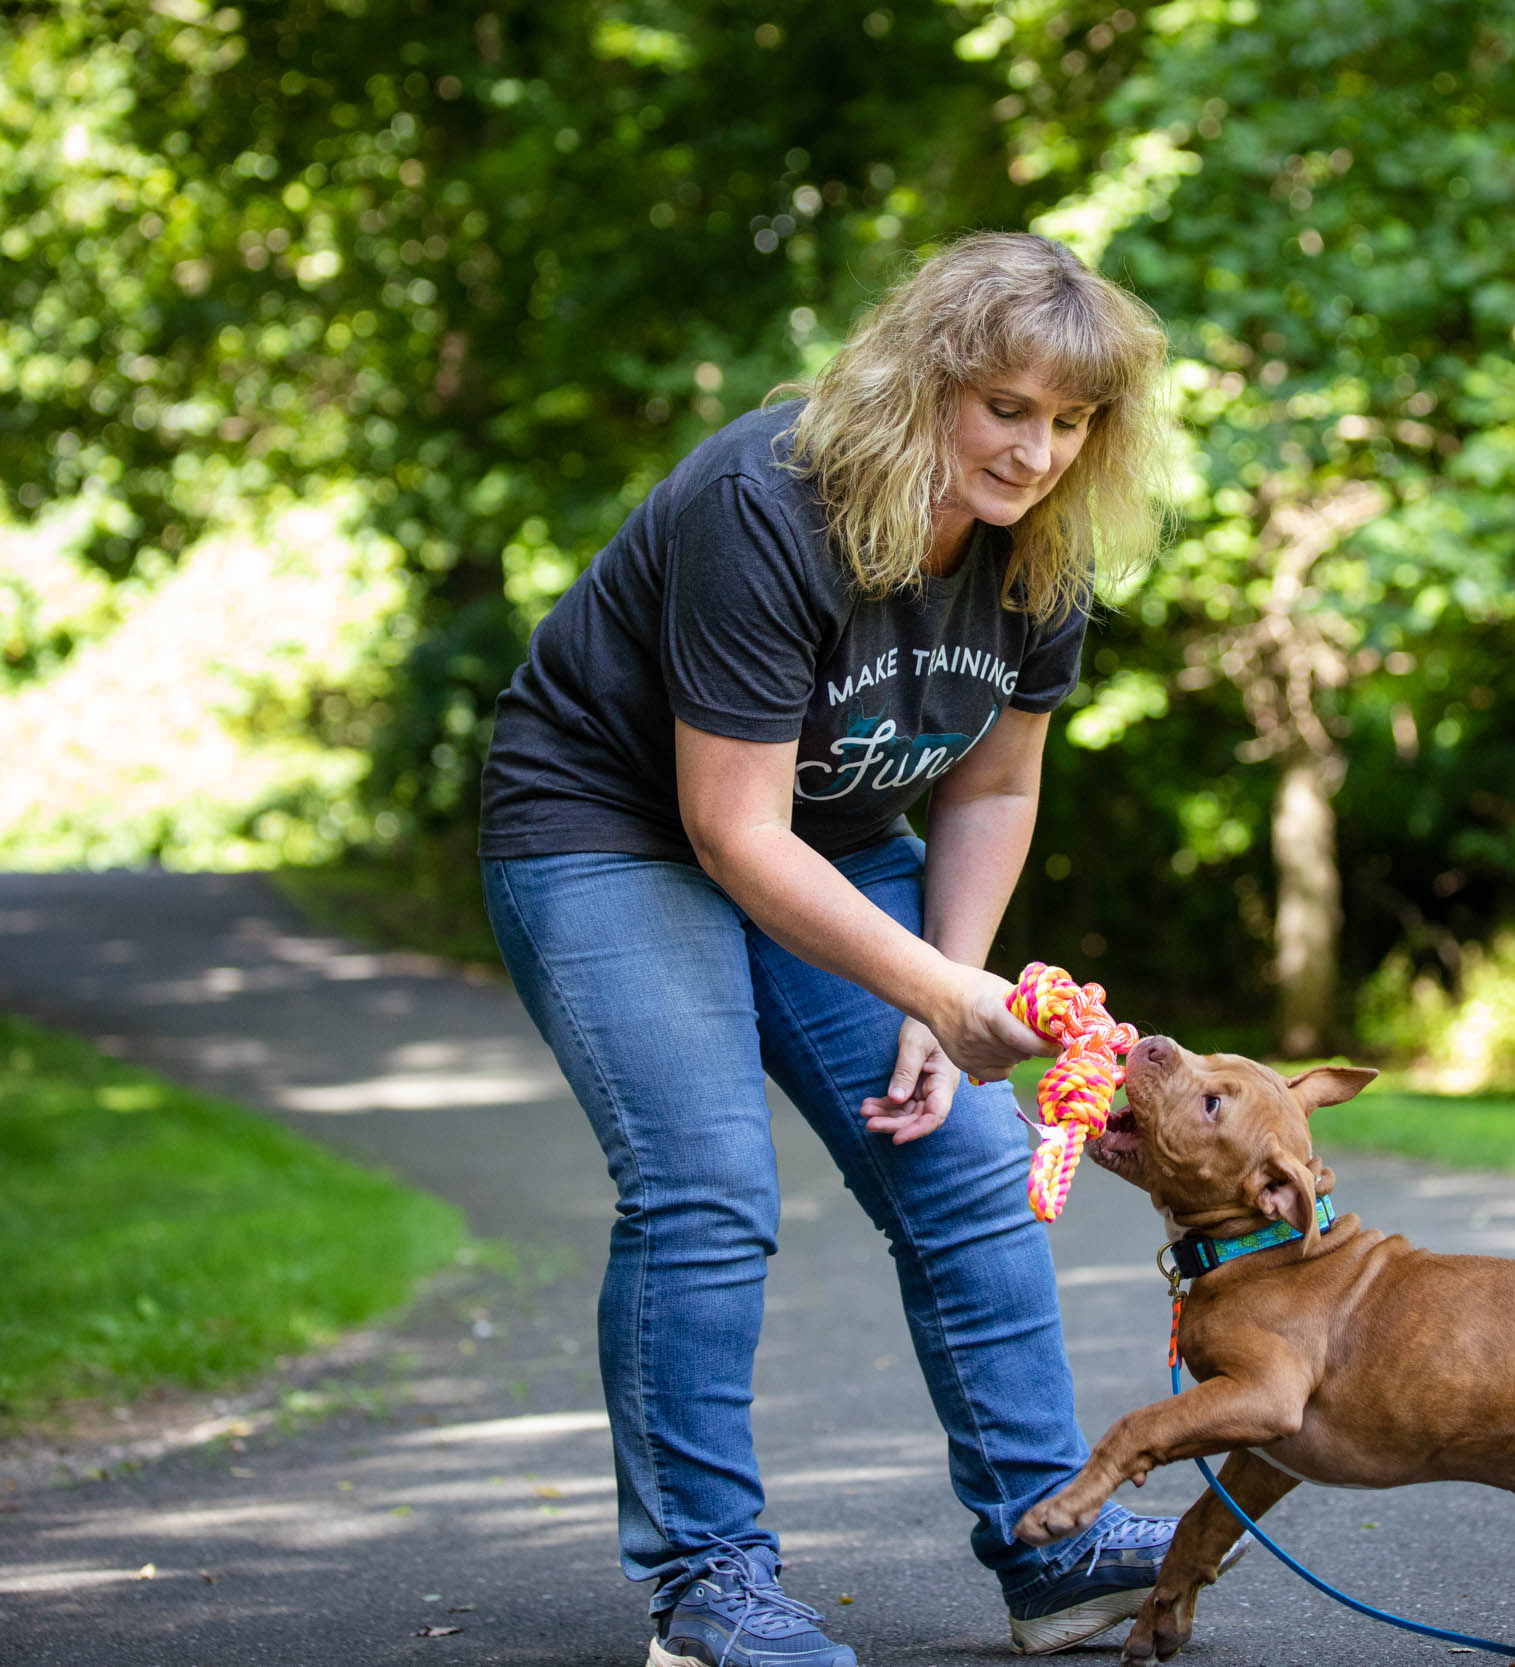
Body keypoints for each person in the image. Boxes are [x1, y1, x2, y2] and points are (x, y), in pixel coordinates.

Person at [476, 232, 1195, 1667]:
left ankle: (1049, 1545)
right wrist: (934, 983)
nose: (1038, 452)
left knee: (968, 1170)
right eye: (1008, 408)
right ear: (925, 379)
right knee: (705, 1187)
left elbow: (994, 783)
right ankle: (706, 1584)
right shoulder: (771, 501)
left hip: (839, 830)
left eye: (1070, 423)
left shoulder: (1039, 554)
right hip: (610, 826)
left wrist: (944, 997)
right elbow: (731, 831)